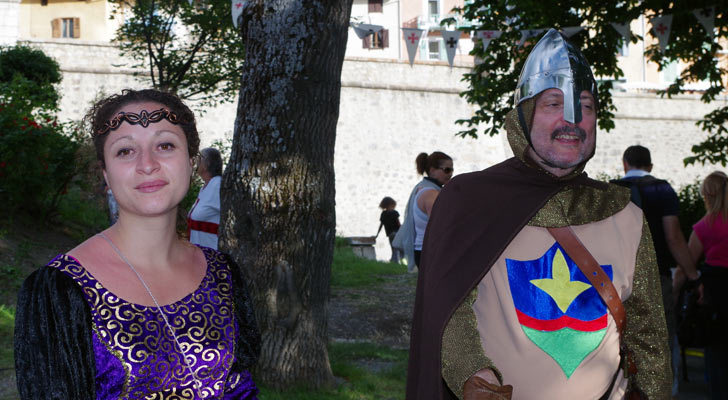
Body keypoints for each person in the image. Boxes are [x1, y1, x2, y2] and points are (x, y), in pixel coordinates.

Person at [406, 29, 670, 400]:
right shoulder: (469, 203)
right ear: (524, 116)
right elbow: (448, 312)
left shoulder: (624, 213)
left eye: (585, 105)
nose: (571, 119)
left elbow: (648, 334)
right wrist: (474, 374)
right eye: (552, 104)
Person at [14, 89, 260, 399]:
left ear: (190, 160)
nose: (148, 164)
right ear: (106, 172)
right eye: (125, 151)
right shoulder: (58, 292)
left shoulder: (223, 274)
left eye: (165, 145)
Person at [612, 145, 700, 397]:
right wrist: (692, 273)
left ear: (625, 163)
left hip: (615, 278)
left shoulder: (611, 190)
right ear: (650, 166)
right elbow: (673, 237)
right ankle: (663, 392)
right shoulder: (662, 189)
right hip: (656, 275)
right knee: (661, 335)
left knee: (618, 337)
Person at [687, 171, 728, 399]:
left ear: (708, 195)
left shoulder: (704, 226)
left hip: (715, 295)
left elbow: (688, 263)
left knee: (717, 355)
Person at [392, 151, 453, 272]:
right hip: (431, 251)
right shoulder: (431, 193)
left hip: (425, 250)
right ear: (432, 170)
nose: (450, 174)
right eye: (446, 170)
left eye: (451, 170)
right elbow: (439, 225)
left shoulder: (422, 187)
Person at [188, 147, 222, 250]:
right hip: (199, 253)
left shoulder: (217, 185)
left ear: (207, 165)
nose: (195, 162)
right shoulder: (205, 188)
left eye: (199, 159)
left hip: (213, 255)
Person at [377, 196, 403, 263]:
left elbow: (381, 225)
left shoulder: (383, 214)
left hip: (390, 234)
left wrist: (377, 234)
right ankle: (396, 260)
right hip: (396, 233)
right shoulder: (395, 212)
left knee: (393, 247)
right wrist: (402, 231)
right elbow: (398, 223)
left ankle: (394, 259)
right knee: (397, 247)